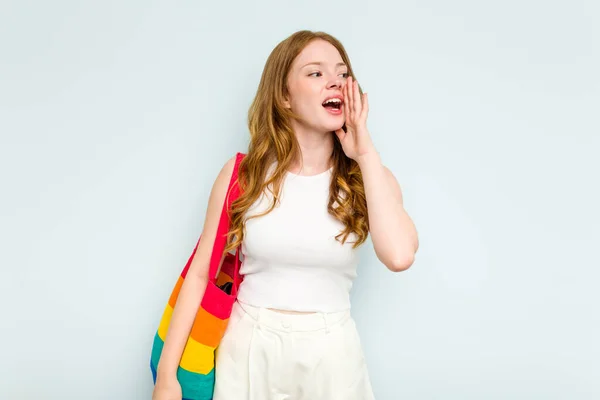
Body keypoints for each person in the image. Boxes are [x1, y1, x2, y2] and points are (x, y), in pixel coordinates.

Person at [152, 30, 419, 400]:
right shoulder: (242, 176)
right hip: (247, 350)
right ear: (284, 97)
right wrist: (167, 377)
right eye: (316, 73)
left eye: (342, 74)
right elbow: (200, 274)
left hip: (332, 355)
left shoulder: (368, 177)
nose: (336, 83)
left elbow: (400, 255)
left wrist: (367, 153)